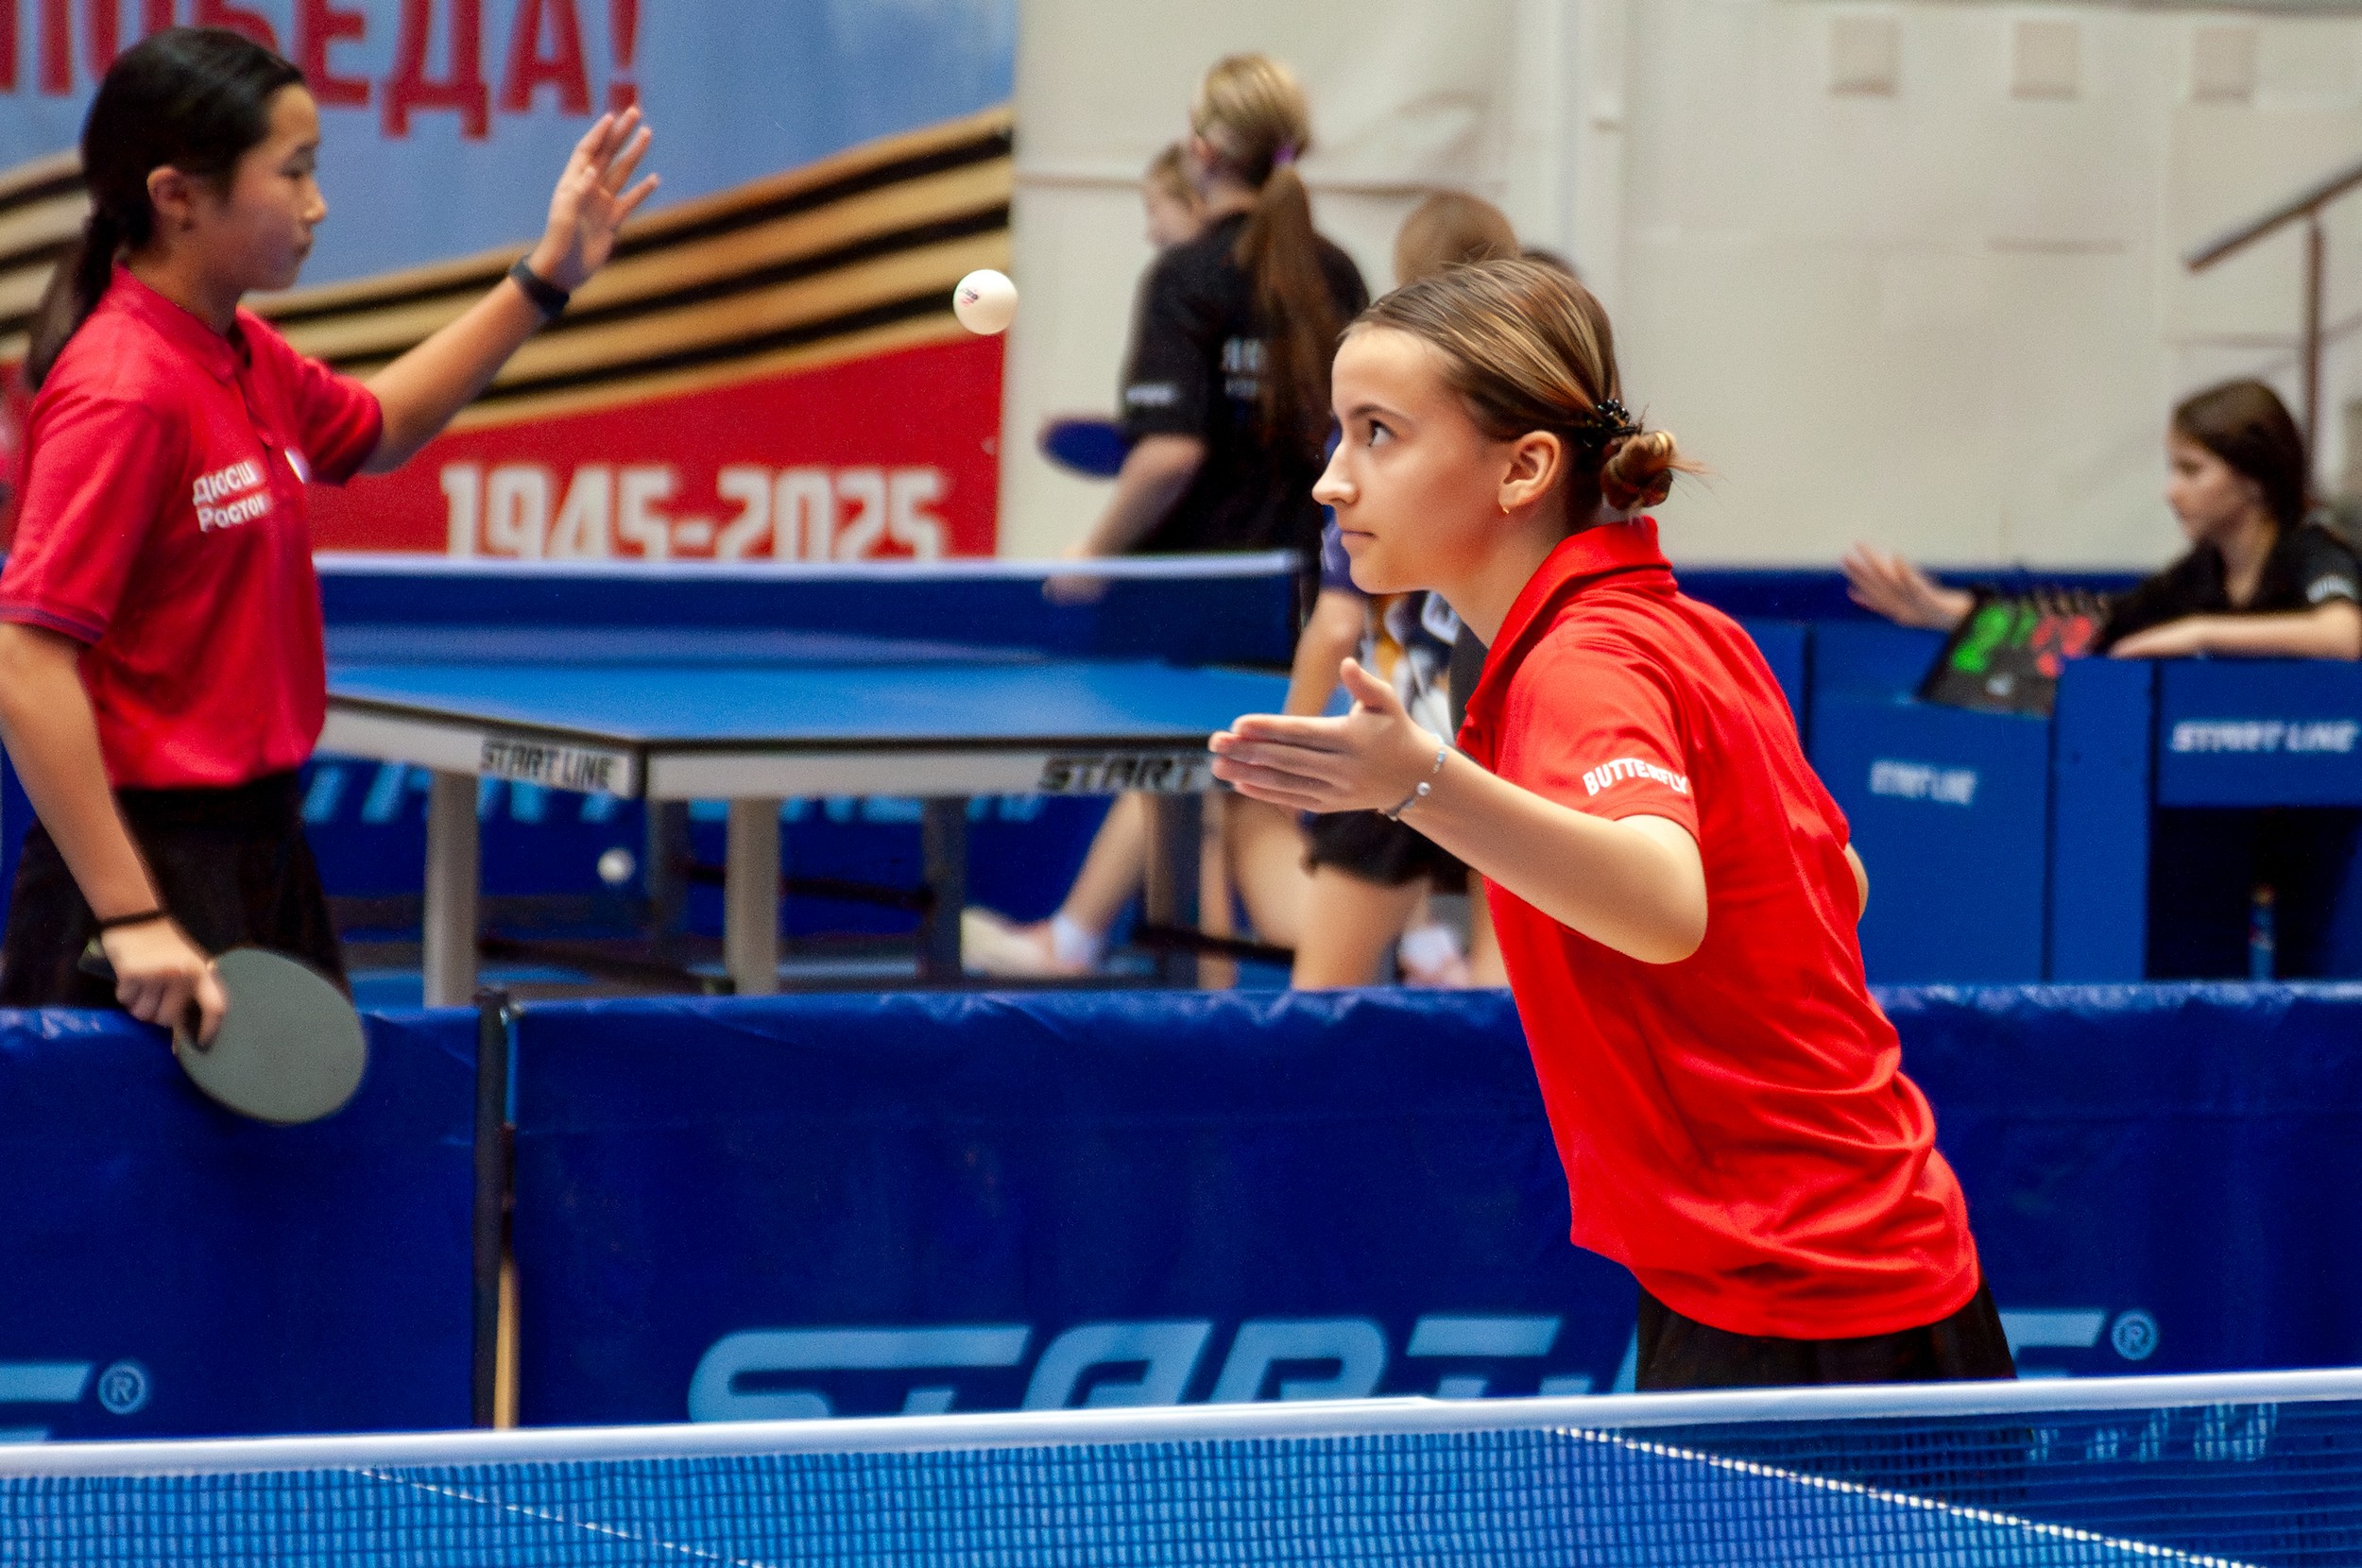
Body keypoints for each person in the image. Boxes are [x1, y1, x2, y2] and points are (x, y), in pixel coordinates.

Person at [1210, 259, 2012, 1389]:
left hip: (1797, 1300)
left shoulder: (1580, 664)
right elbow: (1840, 881)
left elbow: (1665, 905)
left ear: (1523, 468)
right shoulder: (1687, 631)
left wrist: (1417, 782)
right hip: (1857, 1260)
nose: (1331, 482)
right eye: (1339, 436)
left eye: (1378, 433)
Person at [0, 27, 656, 1036]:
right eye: (294, 171)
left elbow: (378, 426)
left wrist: (544, 278)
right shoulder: (123, 390)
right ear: (178, 196)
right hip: (144, 875)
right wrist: (133, 916)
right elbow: (26, 660)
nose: (318, 205)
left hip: (260, 848)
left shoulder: (236, 349)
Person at [966, 53, 1368, 979]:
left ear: (1203, 149)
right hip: (1302, 591)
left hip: (1193, 600)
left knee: (1220, 802)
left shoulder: (1188, 275)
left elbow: (1170, 455)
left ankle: (1359, 963)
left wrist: (1091, 553)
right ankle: (1104, 951)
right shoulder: (1337, 272)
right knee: (1214, 797)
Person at [1287, 190, 1517, 988]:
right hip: (1505, 739)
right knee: (1511, 1004)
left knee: (1321, 1008)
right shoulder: (1529, 421)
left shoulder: (1378, 424)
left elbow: (1335, 622)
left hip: (1397, 737)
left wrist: (1293, 746)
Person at [1841, 379, 2361, 659]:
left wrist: (2202, 633)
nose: (2170, 491)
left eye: (2192, 471)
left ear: (2254, 479)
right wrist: (1946, 612)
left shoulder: (2310, 550)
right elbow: (2098, 623)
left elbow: (2343, 635)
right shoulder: (2201, 573)